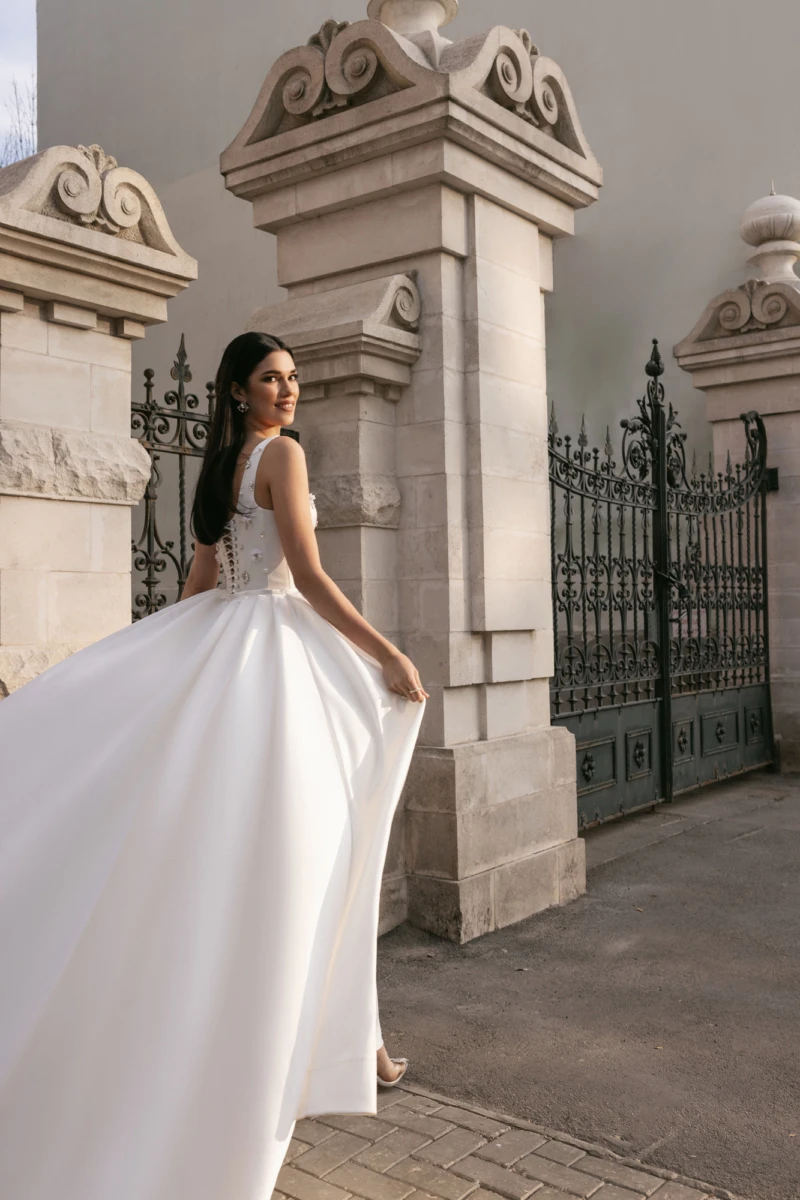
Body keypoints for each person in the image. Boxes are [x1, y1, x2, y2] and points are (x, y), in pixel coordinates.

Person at [0, 331, 428, 1200]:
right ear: (237, 390)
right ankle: (329, 1048)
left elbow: (198, 588)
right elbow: (304, 574)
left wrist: (150, 670)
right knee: (322, 855)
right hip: (273, 659)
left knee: (304, 853)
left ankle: (362, 1044)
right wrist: (388, 652)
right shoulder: (281, 457)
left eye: (294, 378)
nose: (289, 389)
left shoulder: (219, 466)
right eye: (272, 378)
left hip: (231, 651)